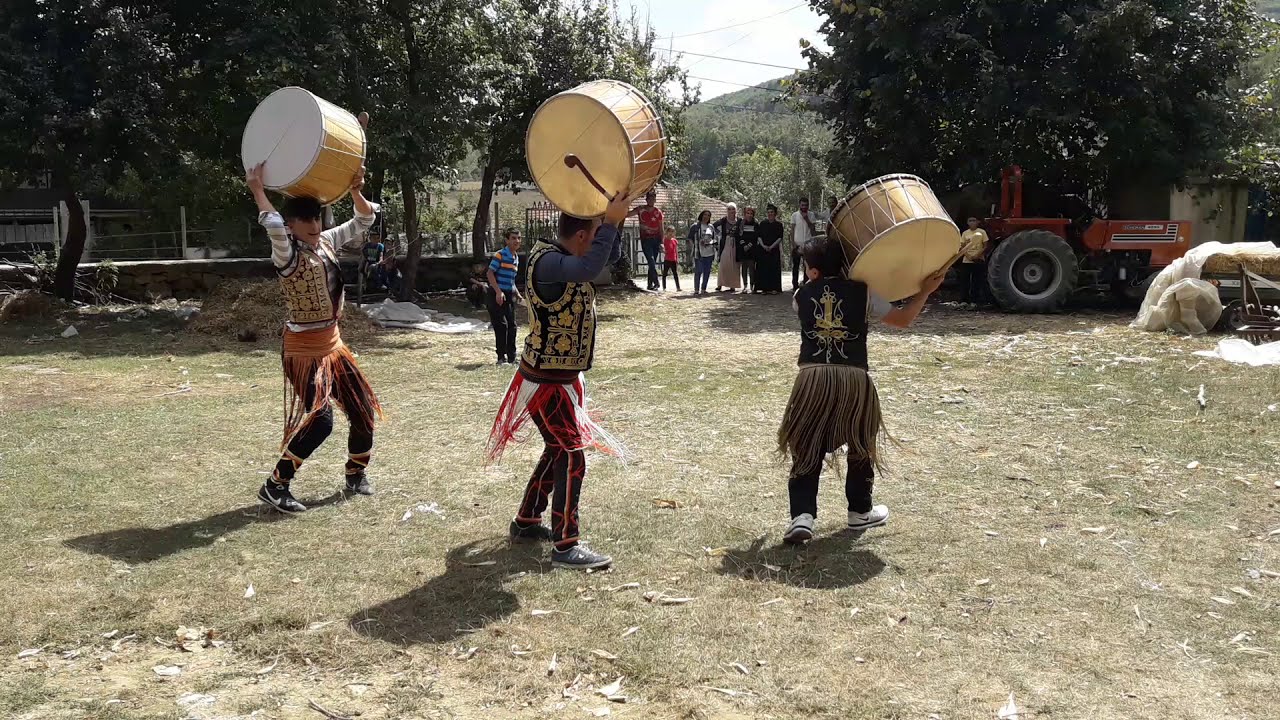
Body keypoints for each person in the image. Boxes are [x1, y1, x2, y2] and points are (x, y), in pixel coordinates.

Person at [485, 191, 632, 571]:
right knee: (570, 453)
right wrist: (611, 223)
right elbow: (588, 270)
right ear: (583, 238)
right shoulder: (550, 262)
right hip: (546, 382)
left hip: (557, 378)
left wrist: (610, 222)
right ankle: (566, 545)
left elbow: (608, 259)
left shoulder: (565, 256)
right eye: (596, 233)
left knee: (556, 449)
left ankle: (527, 520)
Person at [777, 236, 945, 545]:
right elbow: (903, 319)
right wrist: (925, 291)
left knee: (806, 442)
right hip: (853, 377)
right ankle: (859, 512)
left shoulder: (801, 295)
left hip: (812, 378)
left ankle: (802, 516)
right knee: (860, 441)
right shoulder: (864, 293)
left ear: (813, 272)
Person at [246, 160, 383, 514]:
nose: (313, 226)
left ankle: (356, 474)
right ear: (291, 225)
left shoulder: (326, 241)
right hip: (303, 352)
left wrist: (354, 189)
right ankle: (275, 485)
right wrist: (258, 189)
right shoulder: (287, 253)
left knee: (363, 411)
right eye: (304, 220)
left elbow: (364, 220)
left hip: (334, 346)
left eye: (316, 219)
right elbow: (273, 224)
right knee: (321, 420)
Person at [486, 228, 525, 365]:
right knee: (501, 325)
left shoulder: (516, 258)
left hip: (508, 295)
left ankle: (512, 357)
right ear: (507, 240)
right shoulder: (500, 255)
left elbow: (511, 280)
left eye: (518, 238)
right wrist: (498, 291)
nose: (517, 241)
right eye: (513, 238)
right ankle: (501, 358)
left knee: (512, 326)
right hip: (496, 294)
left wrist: (517, 293)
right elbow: (490, 274)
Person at [628, 190, 664, 291]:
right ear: (646, 199)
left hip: (656, 239)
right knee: (651, 260)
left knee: (652, 263)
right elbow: (628, 214)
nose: (651, 201)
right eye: (650, 198)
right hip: (646, 239)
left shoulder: (658, 212)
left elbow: (661, 228)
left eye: (653, 199)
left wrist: (662, 242)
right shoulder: (640, 209)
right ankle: (656, 282)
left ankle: (649, 284)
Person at [755, 204, 785, 294]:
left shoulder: (779, 225)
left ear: (775, 213)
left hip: (774, 250)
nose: (770, 214)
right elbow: (759, 236)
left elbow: (780, 238)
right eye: (768, 212)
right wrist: (763, 246)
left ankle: (774, 288)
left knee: (774, 269)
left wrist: (771, 247)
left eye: (772, 212)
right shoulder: (762, 224)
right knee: (763, 268)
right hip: (763, 250)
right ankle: (764, 288)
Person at [959, 217, 989, 305]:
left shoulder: (982, 232)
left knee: (976, 281)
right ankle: (964, 301)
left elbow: (985, 246)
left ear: (978, 222)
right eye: (970, 221)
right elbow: (962, 246)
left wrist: (977, 255)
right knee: (965, 281)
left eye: (974, 221)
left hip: (978, 260)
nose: (972, 222)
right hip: (967, 260)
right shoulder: (965, 233)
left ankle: (974, 301)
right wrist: (968, 256)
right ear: (967, 223)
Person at [714, 203, 743, 292]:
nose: (731, 211)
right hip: (725, 243)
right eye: (729, 209)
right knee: (723, 264)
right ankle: (720, 284)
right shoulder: (723, 220)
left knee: (734, 265)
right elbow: (713, 226)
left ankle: (732, 285)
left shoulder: (739, 221)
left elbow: (743, 231)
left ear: (736, 210)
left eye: (733, 209)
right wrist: (718, 236)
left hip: (735, 244)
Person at [689, 209, 718, 296]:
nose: (706, 217)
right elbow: (690, 238)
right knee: (698, 271)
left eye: (708, 215)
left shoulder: (711, 227)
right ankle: (696, 289)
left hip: (709, 253)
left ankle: (703, 288)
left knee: (707, 271)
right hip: (699, 252)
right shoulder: (695, 226)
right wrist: (695, 245)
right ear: (701, 215)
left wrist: (709, 243)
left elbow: (715, 239)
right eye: (705, 214)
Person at [791, 197, 818, 289]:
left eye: (806, 205)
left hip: (808, 244)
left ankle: (806, 285)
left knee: (807, 266)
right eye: (802, 205)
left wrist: (807, 219)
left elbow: (813, 230)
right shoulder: (794, 215)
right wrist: (793, 243)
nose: (804, 207)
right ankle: (795, 286)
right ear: (799, 205)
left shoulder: (811, 215)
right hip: (797, 244)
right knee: (796, 266)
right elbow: (792, 230)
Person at [738, 206, 759, 293]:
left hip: (752, 249)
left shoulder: (756, 224)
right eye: (747, 213)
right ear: (745, 214)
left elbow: (756, 236)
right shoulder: (741, 223)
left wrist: (749, 245)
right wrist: (744, 245)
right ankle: (745, 286)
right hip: (743, 250)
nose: (749, 215)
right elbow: (739, 236)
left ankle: (752, 286)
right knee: (744, 268)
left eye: (751, 214)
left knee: (751, 268)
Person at [660, 225, 681, 291]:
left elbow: (676, 250)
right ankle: (664, 287)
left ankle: (678, 287)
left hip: (673, 259)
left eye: (672, 231)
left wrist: (677, 258)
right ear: (667, 232)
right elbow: (662, 248)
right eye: (670, 231)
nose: (671, 233)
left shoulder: (674, 241)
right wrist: (663, 251)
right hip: (667, 259)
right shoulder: (664, 240)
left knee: (675, 274)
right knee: (665, 274)